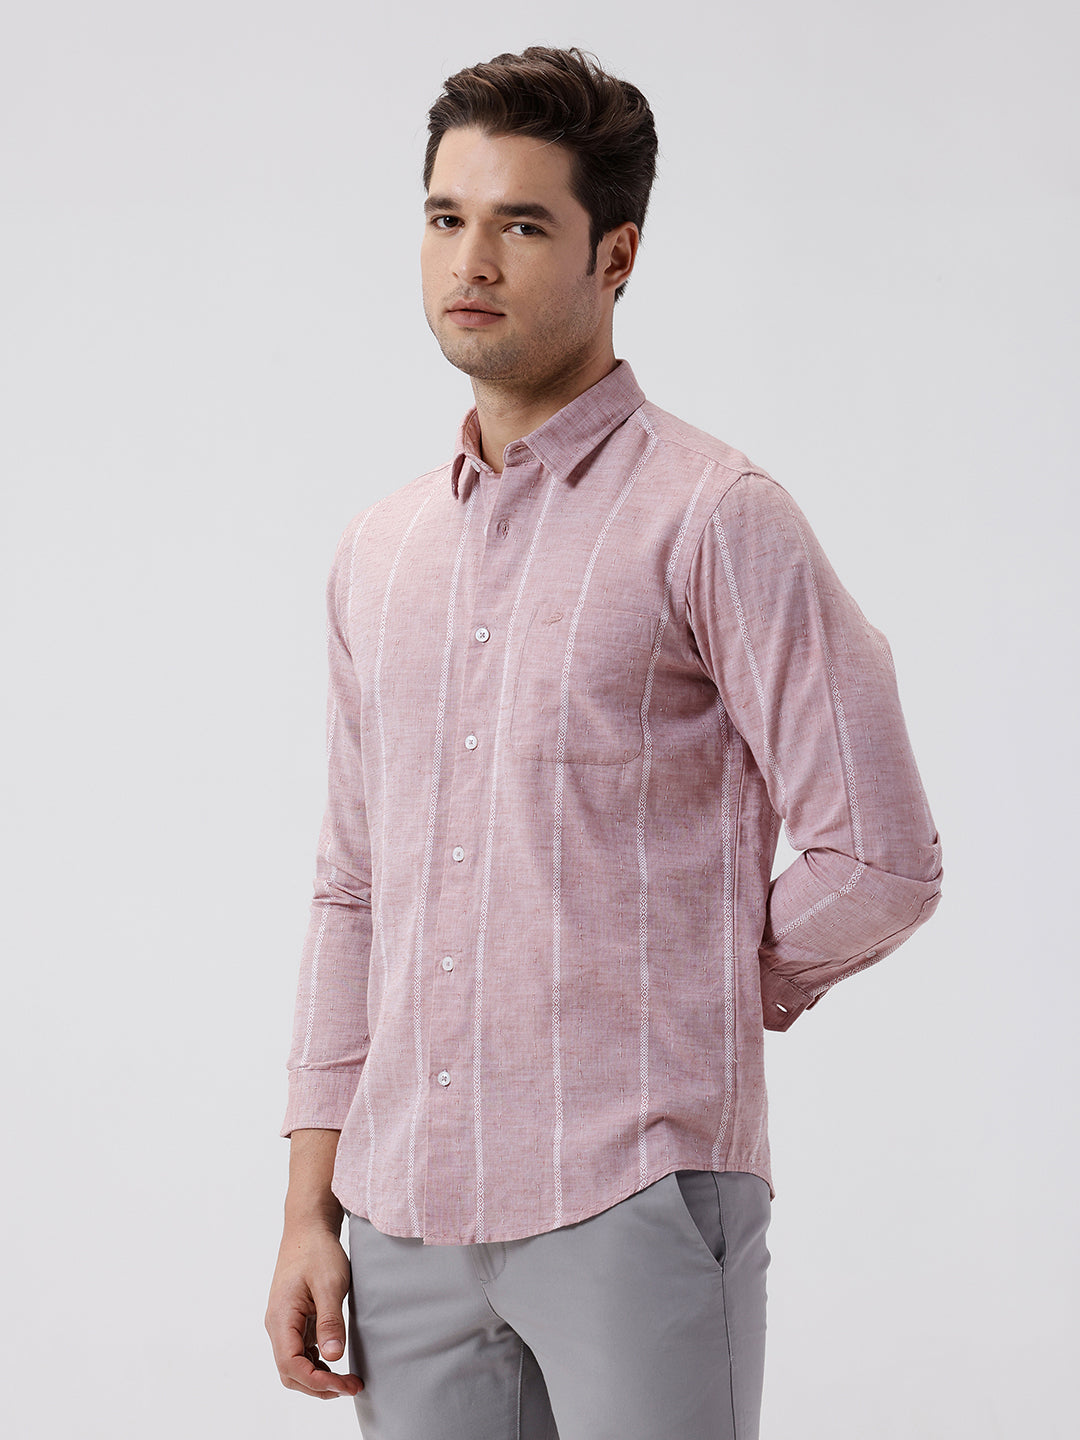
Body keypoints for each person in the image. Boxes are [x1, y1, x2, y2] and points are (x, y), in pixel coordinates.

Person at [264, 44, 943, 1440]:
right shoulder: (379, 553)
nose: (472, 260)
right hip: (401, 1216)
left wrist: (703, 973)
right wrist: (306, 1212)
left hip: (634, 1194)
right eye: (447, 216)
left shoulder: (717, 517)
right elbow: (351, 893)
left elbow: (879, 855)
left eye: (523, 224)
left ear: (615, 253)